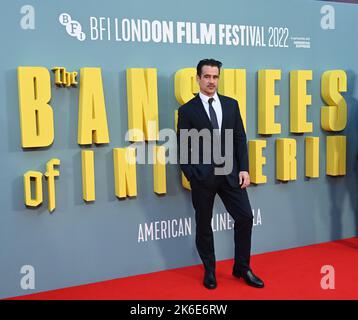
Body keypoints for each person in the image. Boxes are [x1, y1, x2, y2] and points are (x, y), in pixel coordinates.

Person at [177, 58, 264, 289]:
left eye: (215, 77)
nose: (211, 81)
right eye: (207, 76)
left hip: (230, 173)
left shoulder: (231, 105)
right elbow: (183, 148)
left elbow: (239, 139)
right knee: (204, 224)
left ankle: (242, 268)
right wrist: (193, 175)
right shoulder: (187, 110)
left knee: (245, 217)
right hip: (203, 178)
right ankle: (210, 270)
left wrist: (244, 168)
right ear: (198, 78)